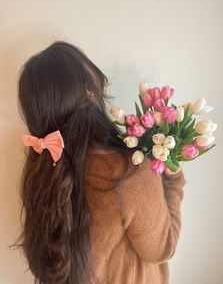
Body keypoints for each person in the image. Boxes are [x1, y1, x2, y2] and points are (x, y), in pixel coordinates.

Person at [13, 40, 186, 284]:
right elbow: (162, 247)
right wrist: (173, 177)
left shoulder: (40, 166)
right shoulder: (128, 171)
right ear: (88, 94)